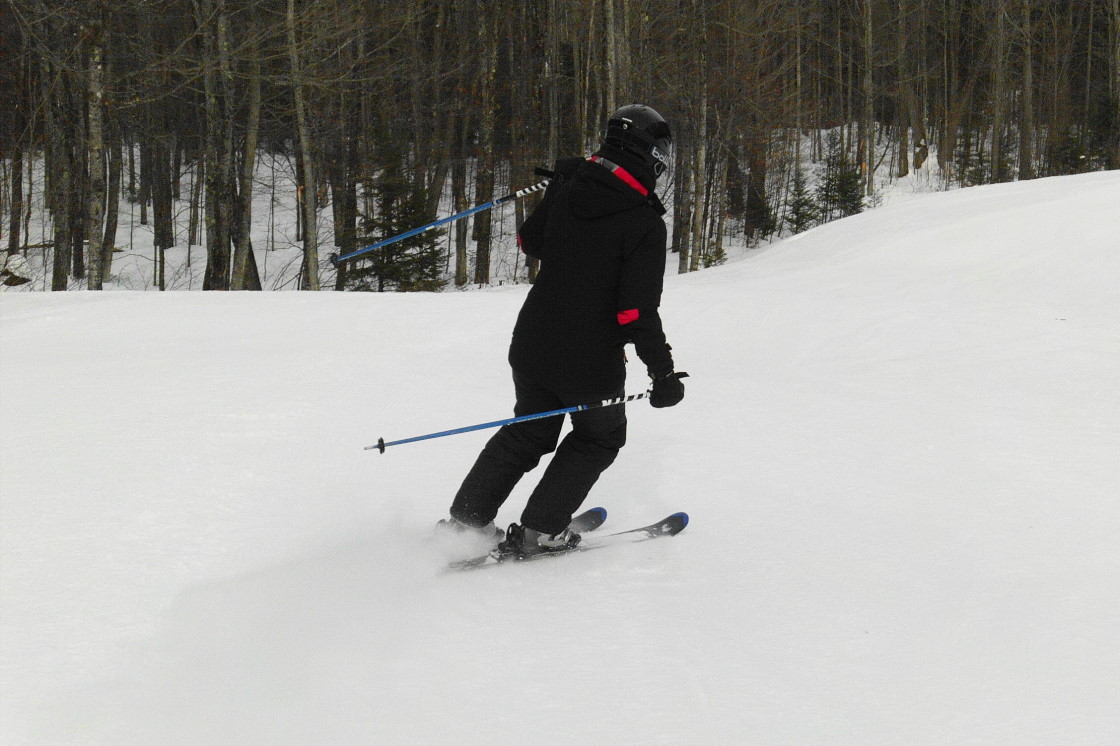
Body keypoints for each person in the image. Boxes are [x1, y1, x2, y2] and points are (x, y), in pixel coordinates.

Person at [440, 104, 687, 557]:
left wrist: (562, 188)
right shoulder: (643, 221)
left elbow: (531, 242)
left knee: (529, 430)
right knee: (600, 435)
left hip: (534, 340)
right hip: (588, 358)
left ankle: (466, 521)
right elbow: (635, 312)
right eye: (661, 149)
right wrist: (663, 373)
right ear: (648, 152)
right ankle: (541, 530)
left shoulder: (573, 184)